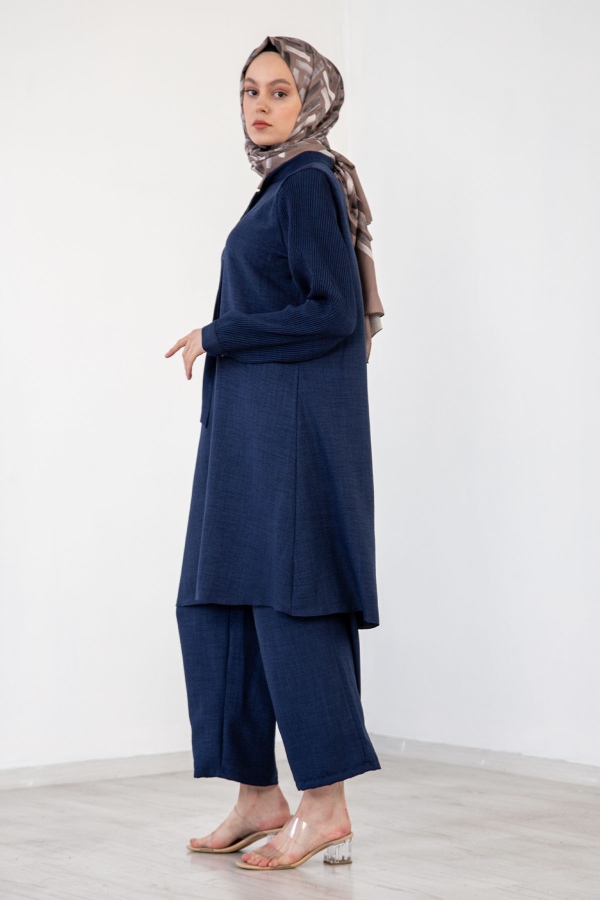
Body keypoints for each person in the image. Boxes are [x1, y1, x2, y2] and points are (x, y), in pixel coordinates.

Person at [164, 34, 385, 872]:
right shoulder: (278, 185)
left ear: (313, 101)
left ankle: (325, 807)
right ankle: (258, 795)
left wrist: (220, 332)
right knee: (215, 603)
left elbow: (332, 313)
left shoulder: (308, 182)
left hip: (291, 437)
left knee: (295, 605)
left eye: (281, 91)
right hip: (249, 435)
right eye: (250, 90)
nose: (260, 105)